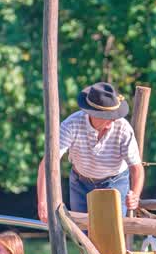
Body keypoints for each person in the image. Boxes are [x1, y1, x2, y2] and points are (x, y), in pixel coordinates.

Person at [36, 81, 144, 222]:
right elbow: (48, 164)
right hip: (80, 182)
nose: (112, 121)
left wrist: (135, 195)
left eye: (114, 116)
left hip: (115, 181)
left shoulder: (123, 128)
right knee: (82, 234)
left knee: (113, 231)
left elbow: (137, 168)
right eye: (107, 117)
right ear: (92, 114)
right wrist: (43, 202)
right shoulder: (71, 125)